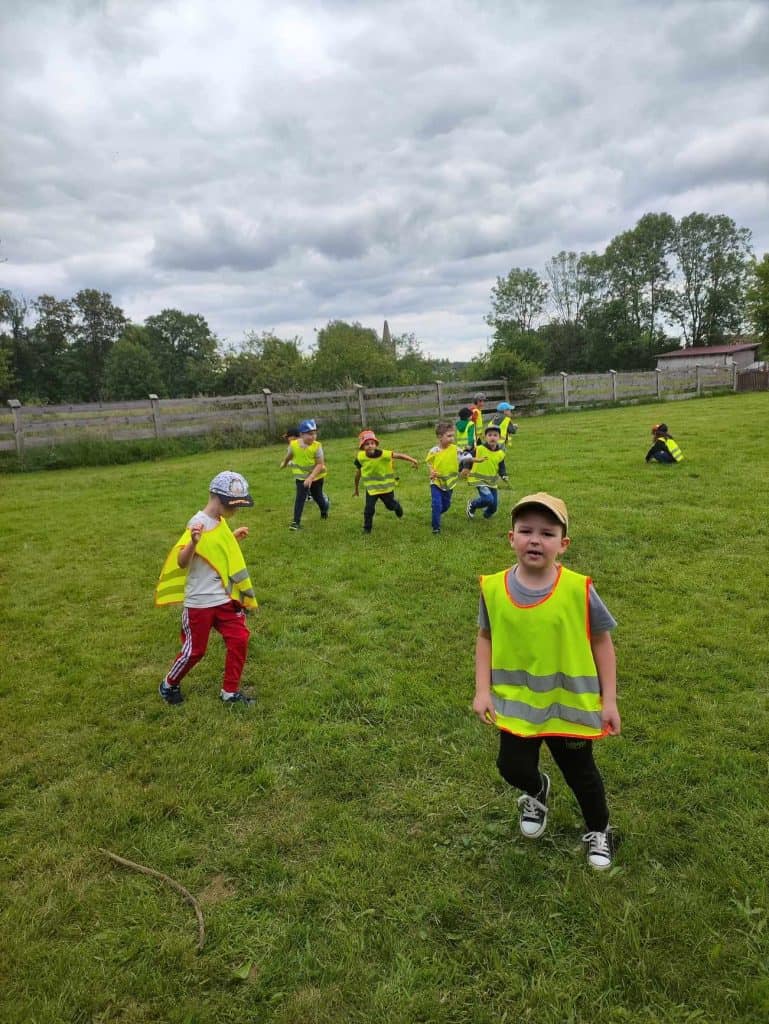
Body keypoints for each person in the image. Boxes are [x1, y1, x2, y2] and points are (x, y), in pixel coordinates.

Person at [473, 492, 620, 870]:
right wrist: (482, 691)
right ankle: (537, 790)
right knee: (511, 767)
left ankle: (599, 830)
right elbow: (485, 638)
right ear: (511, 538)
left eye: (547, 533)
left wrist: (609, 700)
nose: (535, 540)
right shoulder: (494, 588)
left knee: (582, 776)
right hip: (517, 706)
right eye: (526, 531)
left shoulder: (577, 589)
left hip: (568, 707)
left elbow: (601, 642)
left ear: (563, 544)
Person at [155, 471, 258, 706]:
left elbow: (213, 550)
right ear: (216, 498)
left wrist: (232, 537)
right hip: (200, 603)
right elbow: (182, 561)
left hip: (223, 599)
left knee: (239, 639)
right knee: (195, 651)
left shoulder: (220, 521)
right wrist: (193, 542)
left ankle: (229, 692)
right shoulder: (197, 523)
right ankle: (168, 684)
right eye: (233, 505)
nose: (236, 510)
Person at [353, 429, 418, 534]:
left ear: (376, 444)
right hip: (372, 489)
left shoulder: (384, 454)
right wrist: (356, 488)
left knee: (390, 506)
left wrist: (413, 460)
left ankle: (397, 507)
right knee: (369, 509)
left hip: (385, 488)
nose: (370, 446)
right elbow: (358, 474)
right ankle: (367, 529)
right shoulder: (360, 457)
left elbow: (399, 455)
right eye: (367, 444)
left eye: (372, 443)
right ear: (362, 447)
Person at [279, 419, 331, 530]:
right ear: (301, 434)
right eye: (310, 434)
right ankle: (296, 523)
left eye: (314, 433)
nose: (313, 436)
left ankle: (324, 508)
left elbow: (320, 464)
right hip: (301, 478)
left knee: (318, 497)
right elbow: (289, 455)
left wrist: (311, 478)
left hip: (316, 477)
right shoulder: (293, 445)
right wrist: (285, 463)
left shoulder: (317, 446)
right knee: (300, 498)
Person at [466, 424, 509, 521]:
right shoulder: (479, 449)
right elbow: (468, 458)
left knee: (493, 507)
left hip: (492, 482)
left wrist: (504, 475)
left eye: (495, 435)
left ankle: (486, 515)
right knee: (488, 499)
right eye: (489, 435)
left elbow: (501, 466)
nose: (492, 437)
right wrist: (466, 468)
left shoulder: (500, 453)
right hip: (479, 480)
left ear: (499, 437)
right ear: (485, 437)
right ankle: (472, 504)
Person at [426, 422, 461, 534]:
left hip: (448, 483)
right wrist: (431, 471)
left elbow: (465, 456)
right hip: (436, 482)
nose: (452, 438)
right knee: (437, 504)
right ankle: (436, 528)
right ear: (440, 437)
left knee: (446, 506)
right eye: (449, 436)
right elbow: (429, 462)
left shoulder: (455, 449)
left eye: (453, 436)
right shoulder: (434, 451)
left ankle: (436, 512)